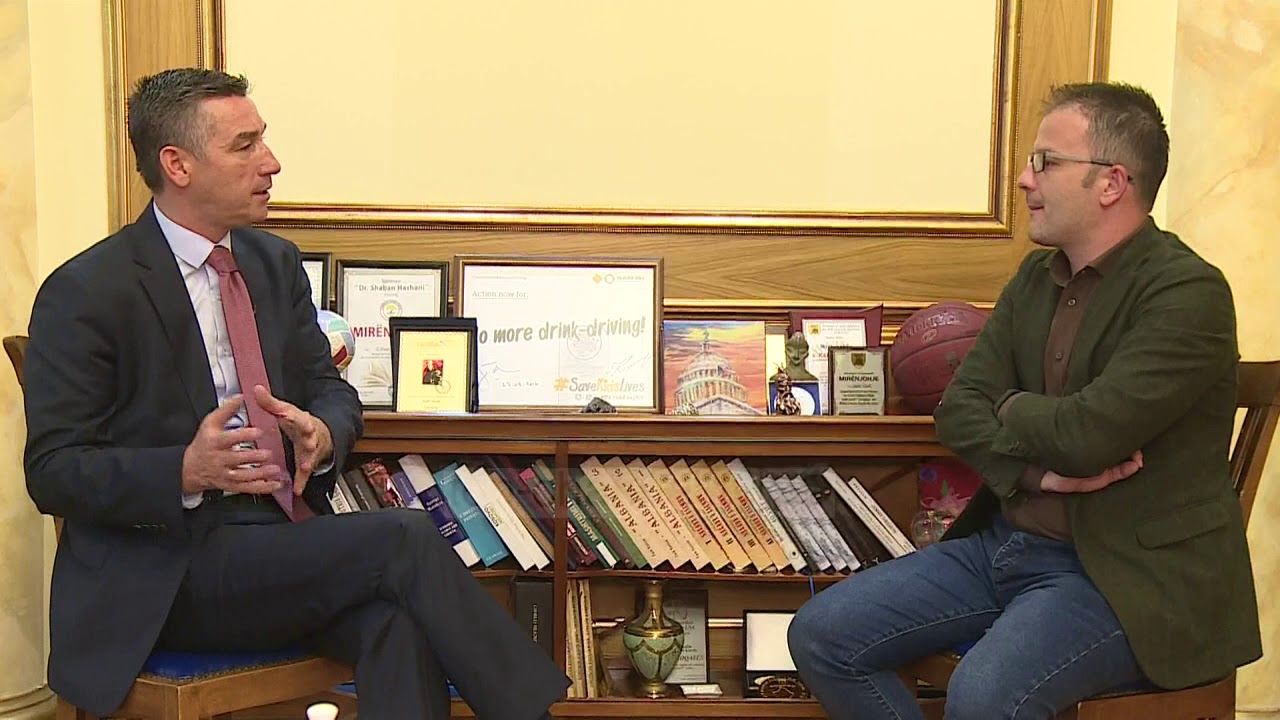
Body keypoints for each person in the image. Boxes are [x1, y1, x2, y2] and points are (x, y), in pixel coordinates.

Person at [23, 68, 569, 719]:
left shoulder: (273, 262)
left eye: (264, 140)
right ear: (178, 164)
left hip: (281, 543)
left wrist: (323, 430)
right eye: (245, 145)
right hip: (164, 574)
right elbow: (53, 471)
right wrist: (184, 470)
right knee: (402, 538)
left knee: (397, 621)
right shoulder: (87, 291)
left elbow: (330, 390)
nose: (271, 162)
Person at [787, 81, 1260, 720]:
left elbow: (1087, 437)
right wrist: (1036, 475)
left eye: (1045, 161)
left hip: (1128, 580)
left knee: (985, 694)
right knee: (822, 634)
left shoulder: (1188, 294)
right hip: (1007, 546)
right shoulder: (1036, 278)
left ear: (1111, 182)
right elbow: (959, 409)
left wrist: (1006, 404)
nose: (1022, 179)